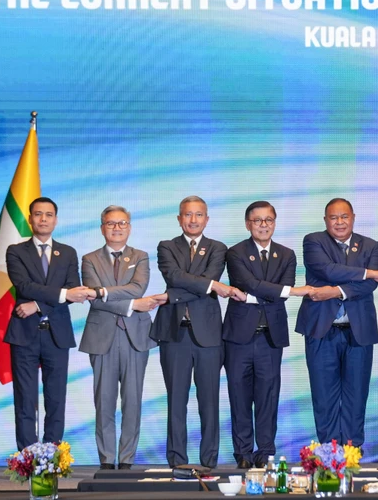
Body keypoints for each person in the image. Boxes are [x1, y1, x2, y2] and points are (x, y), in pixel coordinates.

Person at [150, 195, 239, 469]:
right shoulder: (166, 246)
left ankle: (209, 460)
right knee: (176, 400)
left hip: (208, 335)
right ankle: (177, 460)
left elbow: (189, 281)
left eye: (198, 215)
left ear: (207, 219)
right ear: (179, 219)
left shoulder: (218, 248)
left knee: (209, 401)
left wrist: (175, 294)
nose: (193, 220)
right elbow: (174, 276)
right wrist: (211, 286)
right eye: (187, 215)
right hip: (175, 333)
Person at [223, 201, 312, 469]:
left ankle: (265, 452)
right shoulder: (235, 252)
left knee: (268, 396)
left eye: (269, 220)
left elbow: (285, 286)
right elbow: (248, 283)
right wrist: (279, 293)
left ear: (275, 222)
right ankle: (243, 453)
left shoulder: (286, 254)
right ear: (248, 223)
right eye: (258, 220)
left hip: (270, 337)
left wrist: (254, 296)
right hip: (239, 337)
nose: (264, 225)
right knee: (239, 396)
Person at [79, 205, 166, 470]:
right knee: (103, 402)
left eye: (122, 223)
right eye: (111, 223)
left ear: (129, 227)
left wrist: (103, 292)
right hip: (101, 336)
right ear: (102, 227)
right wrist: (131, 304)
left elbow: (137, 287)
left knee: (132, 400)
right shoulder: (89, 258)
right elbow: (92, 296)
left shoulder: (140, 256)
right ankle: (106, 459)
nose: (117, 228)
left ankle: (127, 459)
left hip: (135, 337)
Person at [4, 196, 95, 450]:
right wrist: (62, 295)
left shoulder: (67, 252)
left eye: (48, 214)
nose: (43, 219)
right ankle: (27, 458)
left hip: (57, 334)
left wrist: (37, 305)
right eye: (38, 214)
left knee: (56, 399)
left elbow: (72, 290)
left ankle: (52, 457)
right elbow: (24, 285)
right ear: (30, 219)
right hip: (24, 334)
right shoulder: (15, 251)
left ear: (56, 219)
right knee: (25, 398)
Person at [298, 198, 378, 448]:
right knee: (324, 397)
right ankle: (328, 457)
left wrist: (335, 291)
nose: (339, 222)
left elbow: (370, 285)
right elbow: (327, 270)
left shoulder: (370, 245)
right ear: (325, 220)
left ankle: (351, 455)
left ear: (353, 217)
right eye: (333, 217)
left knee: (356, 397)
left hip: (358, 331)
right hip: (321, 330)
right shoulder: (313, 241)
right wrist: (367, 273)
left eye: (344, 217)